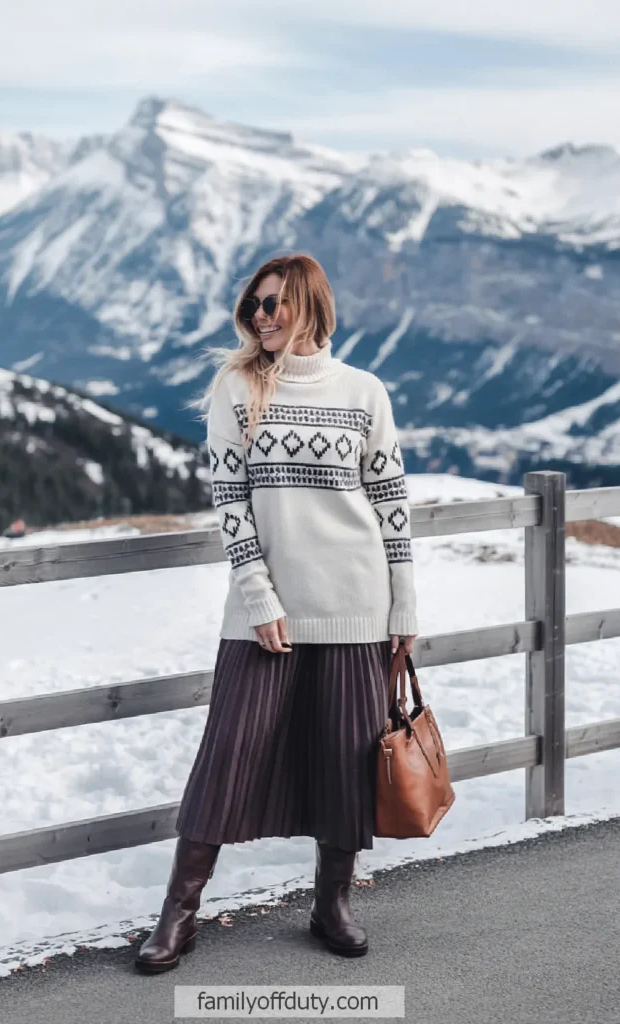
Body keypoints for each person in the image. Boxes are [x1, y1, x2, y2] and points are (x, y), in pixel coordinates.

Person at [135, 254, 418, 973]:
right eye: (254, 305)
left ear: (309, 308)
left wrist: (403, 602)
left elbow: (389, 506)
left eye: (275, 305)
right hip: (265, 616)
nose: (261, 317)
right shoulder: (237, 387)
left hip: (357, 608)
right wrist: (258, 594)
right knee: (226, 759)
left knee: (347, 763)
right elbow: (229, 501)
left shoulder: (364, 392)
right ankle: (178, 914)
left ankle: (332, 904)